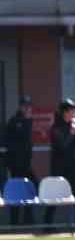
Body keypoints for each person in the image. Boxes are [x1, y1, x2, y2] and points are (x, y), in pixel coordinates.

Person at [48, 99, 75, 231]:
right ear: (65, 112)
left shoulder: (72, 125)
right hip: (59, 167)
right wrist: (71, 133)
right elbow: (62, 146)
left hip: (72, 166)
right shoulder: (56, 127)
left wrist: (73, 132)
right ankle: (48, 224)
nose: (74, 112)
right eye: (72, 110)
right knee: (54, 195)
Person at [5, 95, 36, 226]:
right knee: (16, 191)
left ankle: (27, 219)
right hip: (16, 165)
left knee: (30, 188)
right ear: (21, 107)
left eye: (29, 106)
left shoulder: (27, 120)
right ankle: (15, 221)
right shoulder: (15, 121)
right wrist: (27, 121)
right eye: (25, 106)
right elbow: (19, 138)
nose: (28, 108)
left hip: (26, 163)